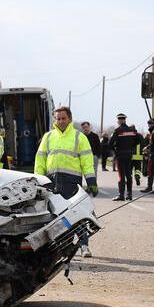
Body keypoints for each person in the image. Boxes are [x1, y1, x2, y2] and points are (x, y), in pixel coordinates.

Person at [35, 106, 98, 257]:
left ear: (69, 118)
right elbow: (40, 160)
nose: (61, 121)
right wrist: (38, 181)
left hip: (72, 183)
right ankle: (63, 248)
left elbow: (87, 162)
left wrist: (91, 181)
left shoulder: (79, 137)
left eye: (63, 118)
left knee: (78, 215)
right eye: (58, 118)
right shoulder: (48, 137)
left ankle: (84, 246)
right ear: (54, 120)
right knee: (56, 218)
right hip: (52, 183)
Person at [109, 113, 141, 201]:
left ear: (119, 120)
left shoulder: (117, 131)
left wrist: (115, 151)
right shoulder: (132, 130)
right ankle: (129, 195)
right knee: (128, 175)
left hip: (120, 155)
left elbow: (110, 144)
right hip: (129, 155)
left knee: (121, 176)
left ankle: (121, 195)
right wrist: (132, 147)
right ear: (125, 120)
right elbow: (139, 140)